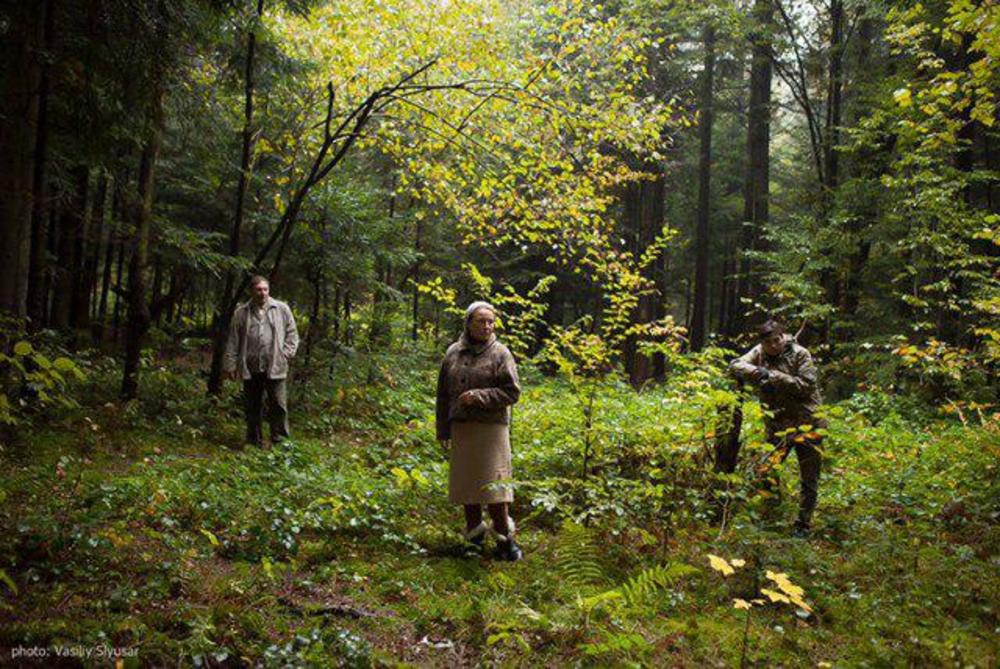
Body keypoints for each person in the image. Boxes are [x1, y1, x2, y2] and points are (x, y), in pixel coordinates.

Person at [436, 301, 523, 561]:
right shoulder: (453, 353)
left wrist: (479, 397)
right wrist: (443, 430)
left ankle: (504, 540)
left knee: (496, 487)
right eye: (481, 321)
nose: (487, 326)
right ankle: (473, 537)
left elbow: (512, 392)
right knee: (467, 487)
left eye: (491, 321)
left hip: (491, 430)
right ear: (468, 323)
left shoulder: (500, 353)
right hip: (462, 428)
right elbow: (442, 396)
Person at [728, 319, 825, 537]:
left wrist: (771, 375)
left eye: (777, 340)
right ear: (762, 343)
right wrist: (757, 372)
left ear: (783, 336)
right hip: (777, 426)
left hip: (808, 423)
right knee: (767, 471)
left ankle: (803, 525)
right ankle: (772, 517)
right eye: (769, 342)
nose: (774, 345)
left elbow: (806, 385)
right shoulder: (759, 352)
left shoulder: (801, 354)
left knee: (809, 478)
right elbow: (735, 364)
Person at [223, 275, 299, 447]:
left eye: (265, 289)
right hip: (250, 367)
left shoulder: (281, 309)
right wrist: (230, 364)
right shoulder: (241, 312)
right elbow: (233, 340)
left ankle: (280, 441)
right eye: (259, 289)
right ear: (251, 291)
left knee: (279, 405)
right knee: (252, 406)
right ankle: (253, 440)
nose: (263, 293)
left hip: (276, 365)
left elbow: (292, 333)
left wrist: (286, 353)